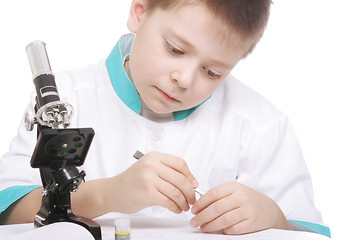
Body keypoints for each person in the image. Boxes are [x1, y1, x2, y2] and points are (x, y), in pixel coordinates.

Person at [0, 0, 330, 237]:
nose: (185, 79)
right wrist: (109, 194)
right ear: (139, 12)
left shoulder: (261, 125)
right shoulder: (64, 99)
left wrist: (272, 218)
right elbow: (8, 211)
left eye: (212, 71)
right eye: (174, 49)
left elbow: (307, 231)